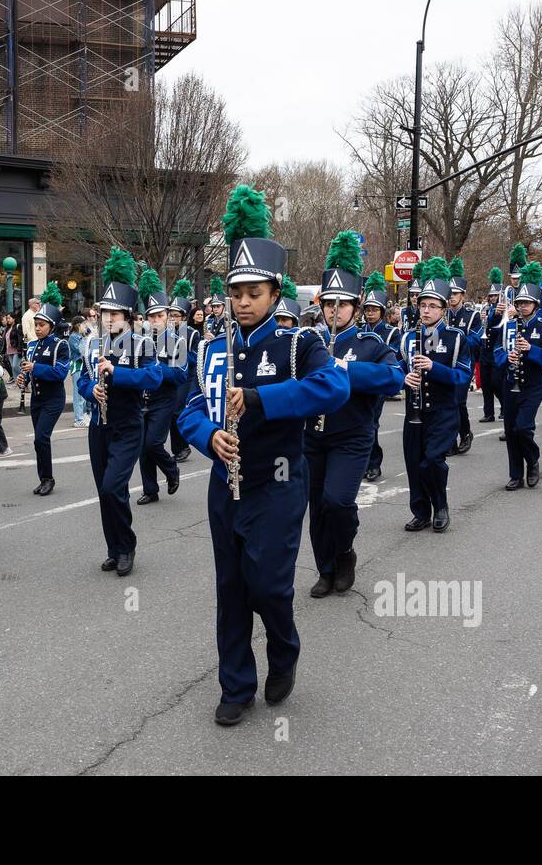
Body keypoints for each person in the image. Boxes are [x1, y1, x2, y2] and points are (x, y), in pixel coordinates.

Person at [177, 185, 346, 726]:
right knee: (230, 590)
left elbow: (333, 390)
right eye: (236, 292)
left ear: (275, 293)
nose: (243, 301)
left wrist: (259, 400)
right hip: (224, 486)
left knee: (269, 585)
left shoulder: (298, 344)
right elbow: (188, 407)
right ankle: (236, 686)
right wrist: (207, 436)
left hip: (277, 483)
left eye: (254, 292)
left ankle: (284, 649)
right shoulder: (210, 347)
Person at [305, 233, 404, 598]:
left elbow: (394, 378)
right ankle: (325, 569)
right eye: (328, 303)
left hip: (351, 434)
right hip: (312, 435)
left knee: (337, 500)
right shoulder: (307, 342)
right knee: (316, 507)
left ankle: (344, 551)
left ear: (356, 306)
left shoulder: (370, 345)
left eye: (342, 304)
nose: (334, 310)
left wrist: (344, 370)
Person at [76, 246, 163, 577]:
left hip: (127, 425)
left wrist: (117, 374)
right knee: (104, 491)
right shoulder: (92, 345)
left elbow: (153, 378)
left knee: (114, 487)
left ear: (127, 316)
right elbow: (83, 380)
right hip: (98, 426)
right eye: (104, 313)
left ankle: (127, 546)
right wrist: (91, 389)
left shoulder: (142, 344)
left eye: (115, 313)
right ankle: (113, 548)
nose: (108, 318)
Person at [400, 259, 471, 532]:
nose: (426, 310)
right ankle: (420, 511)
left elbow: (463, 376)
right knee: (414, 463)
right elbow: (395, 367)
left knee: (433, 461)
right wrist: (403, 378)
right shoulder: (407, 338)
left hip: (443, 411)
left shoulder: (455, 338)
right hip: (414, 412)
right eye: (423, 305)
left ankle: (440, 505)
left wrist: (434, 367)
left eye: (432, 306)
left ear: (444, 309)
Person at [494, 262, 542, 490]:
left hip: (533, 383)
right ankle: (515, 474)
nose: (522, 306)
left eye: (526, 303)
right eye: (519, 302)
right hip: (510, 381)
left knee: (523, 427)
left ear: (535, 304)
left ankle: (532, 460)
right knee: (511, 430)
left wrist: (530, 350)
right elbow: (497, 352)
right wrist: (507, 358)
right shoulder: (508, 325)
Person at [136, 270, 184, 505]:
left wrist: (156, 369)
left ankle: (171, 468)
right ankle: (150, 489)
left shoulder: (178, 341)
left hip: (164, 399)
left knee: (153, 443)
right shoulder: (140, 342)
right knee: (142, 448)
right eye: (151, 317)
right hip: (142, 399)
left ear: (168, 317)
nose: (155, 320)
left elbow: (181, 375)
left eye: (160, 316)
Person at [18, 282, 69, 496]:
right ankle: (43, 478)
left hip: (54, 399)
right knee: (38, 440)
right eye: (36, 324)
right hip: (37, 399)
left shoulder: (60, 345)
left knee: (41, 437)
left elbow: (60, 373)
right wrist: (24, 378)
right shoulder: (31, 346)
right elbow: (29, 372)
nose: (37, 328)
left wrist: (35, 367)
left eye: (41, 325)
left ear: (51, 326)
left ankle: (48, 478)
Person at [359, 272, 402, 483]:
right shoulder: (359, 331)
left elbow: (394, 356)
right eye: (367, 309)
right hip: (360, 382)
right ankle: (364, 462)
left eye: (374, 309)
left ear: (382, 311)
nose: (370, 313)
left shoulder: (392, 332)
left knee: (371, 424)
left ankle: (374, 463)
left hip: (377, 383)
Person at [444, 258, 481, 455]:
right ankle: (450, 440)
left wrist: (458, 340)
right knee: (448, 401)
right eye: (449, 294)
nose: (451, 297)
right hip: (445, 363)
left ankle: (465, 432)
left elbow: (476, 340)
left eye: (456, 294)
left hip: (463, 363)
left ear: (463, 295)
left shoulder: (472, 316)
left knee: (458, 401)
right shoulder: (443, 314)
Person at [168, 280, 201, 462]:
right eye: (171, 315)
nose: (173, 319)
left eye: (176, 316)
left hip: (187, 377)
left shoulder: (192, 334)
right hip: (170, 375)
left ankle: (182, 447)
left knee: (177, 410)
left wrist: (179, 353)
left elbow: (196, 358)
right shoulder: (165, 334)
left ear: (184, 317)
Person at [478, 269, 504, 423]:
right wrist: (484, 319)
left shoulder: (502, 310)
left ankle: (503, 407)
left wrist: (491, 318)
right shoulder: (486, 308)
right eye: (492, 295)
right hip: (485, 350)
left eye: (496, 295)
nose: (493, 298)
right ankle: (488, 413)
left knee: (496, 382)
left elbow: (498, 326)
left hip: (496, 350)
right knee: (486, 384)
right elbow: (484, 328)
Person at [67, 317, 90, 427]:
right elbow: (82, 351)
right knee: (78, 394)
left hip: (84, 366)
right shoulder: (73, 337)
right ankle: (78, 419)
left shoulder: (83, 336)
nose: (86, 326)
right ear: (77, 325)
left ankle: (84, 414)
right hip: (77, 365)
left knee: (84, 393)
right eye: (83, 324)